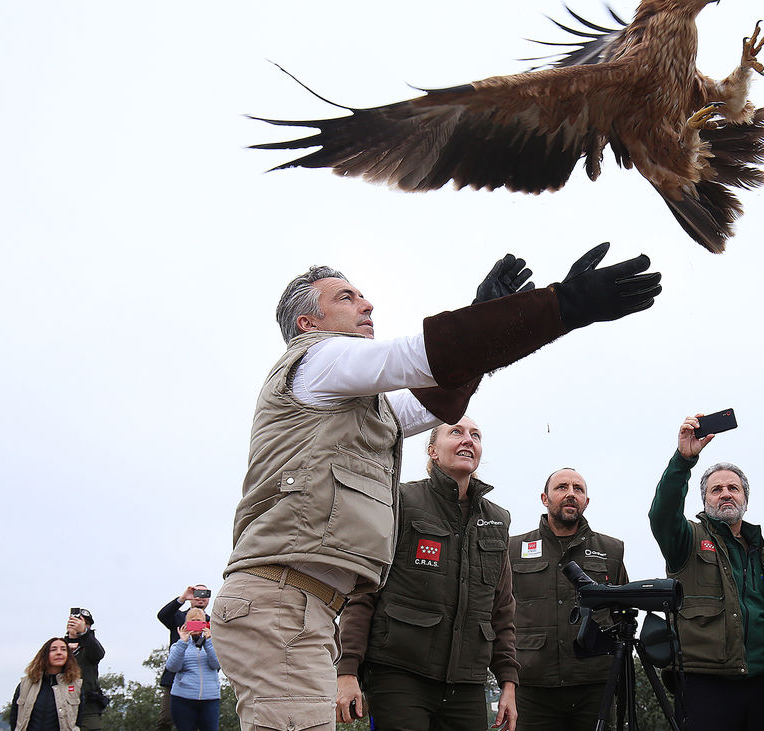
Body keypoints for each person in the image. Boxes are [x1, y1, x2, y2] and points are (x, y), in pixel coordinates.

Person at [212, 245, 660, 729]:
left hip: (306, 609)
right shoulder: (318, 359)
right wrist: (562, 305)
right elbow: (425, 356)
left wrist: (488, 322)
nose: (368, 306)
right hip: (281, 602)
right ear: (308, 323)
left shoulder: (365, 405)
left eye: (365, 297)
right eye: (347, 297)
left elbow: (440, 398)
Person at [336, 416, 519, 730]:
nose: (468, 439)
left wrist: (509, 682)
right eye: (456, 432)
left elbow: (501, 611)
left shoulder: (497, 521)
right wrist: (347, 669)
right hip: (399, 675)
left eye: (476, 435)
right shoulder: (401, 502)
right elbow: (363, 591)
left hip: (466, 683)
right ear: (432, 451)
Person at [648, 414, 764, 731]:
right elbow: (662, 513)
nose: (725, 493)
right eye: (716, 489)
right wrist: (683, 461)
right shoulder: (687, 541)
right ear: (704, 499)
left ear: (745, 499)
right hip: (705, 686)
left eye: (733, 488)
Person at [508, 468, 629, 731]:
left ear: (587, 501)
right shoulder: (513, 549)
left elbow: (622, 615)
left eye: (578, 489)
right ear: (544, 498)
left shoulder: (611, 550)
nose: (571, 494)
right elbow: (499, 612)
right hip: (531, 685)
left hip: (594, 686)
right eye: (562, 487)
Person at [156, 585, 211, 730]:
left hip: (203, 679)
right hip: (176, 677)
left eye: (205, 593)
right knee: (165, 720)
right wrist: (183, 598)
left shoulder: (213, 623)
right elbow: (162, 615)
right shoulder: (179, 618)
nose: (200, 596)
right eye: (197, 593)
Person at [10, 637, 85, 731]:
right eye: (53, 649)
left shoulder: (76, 685)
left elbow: (79, 720)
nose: (59, 652)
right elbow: (14, 717)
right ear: (44, 655)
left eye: (63, 649)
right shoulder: (26, 684)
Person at [166, 608, 222, 731]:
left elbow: (217, 665)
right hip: (182, 699)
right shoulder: (178, 645)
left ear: (205, 624)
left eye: (199, 621)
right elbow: (172, 667)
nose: (196, 624)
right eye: (192, 621)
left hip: (210, 699)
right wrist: (183, 642)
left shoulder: (213, 644)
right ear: (186, 624)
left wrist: (208, 642)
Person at [63, 608, 106, 731]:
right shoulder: (59, 647)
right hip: (63, 706)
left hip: (88, 707)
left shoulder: (90, 646)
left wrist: (84, 633)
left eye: (85, 623)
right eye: (75, 621)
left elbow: (99, 653)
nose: (79, 625)